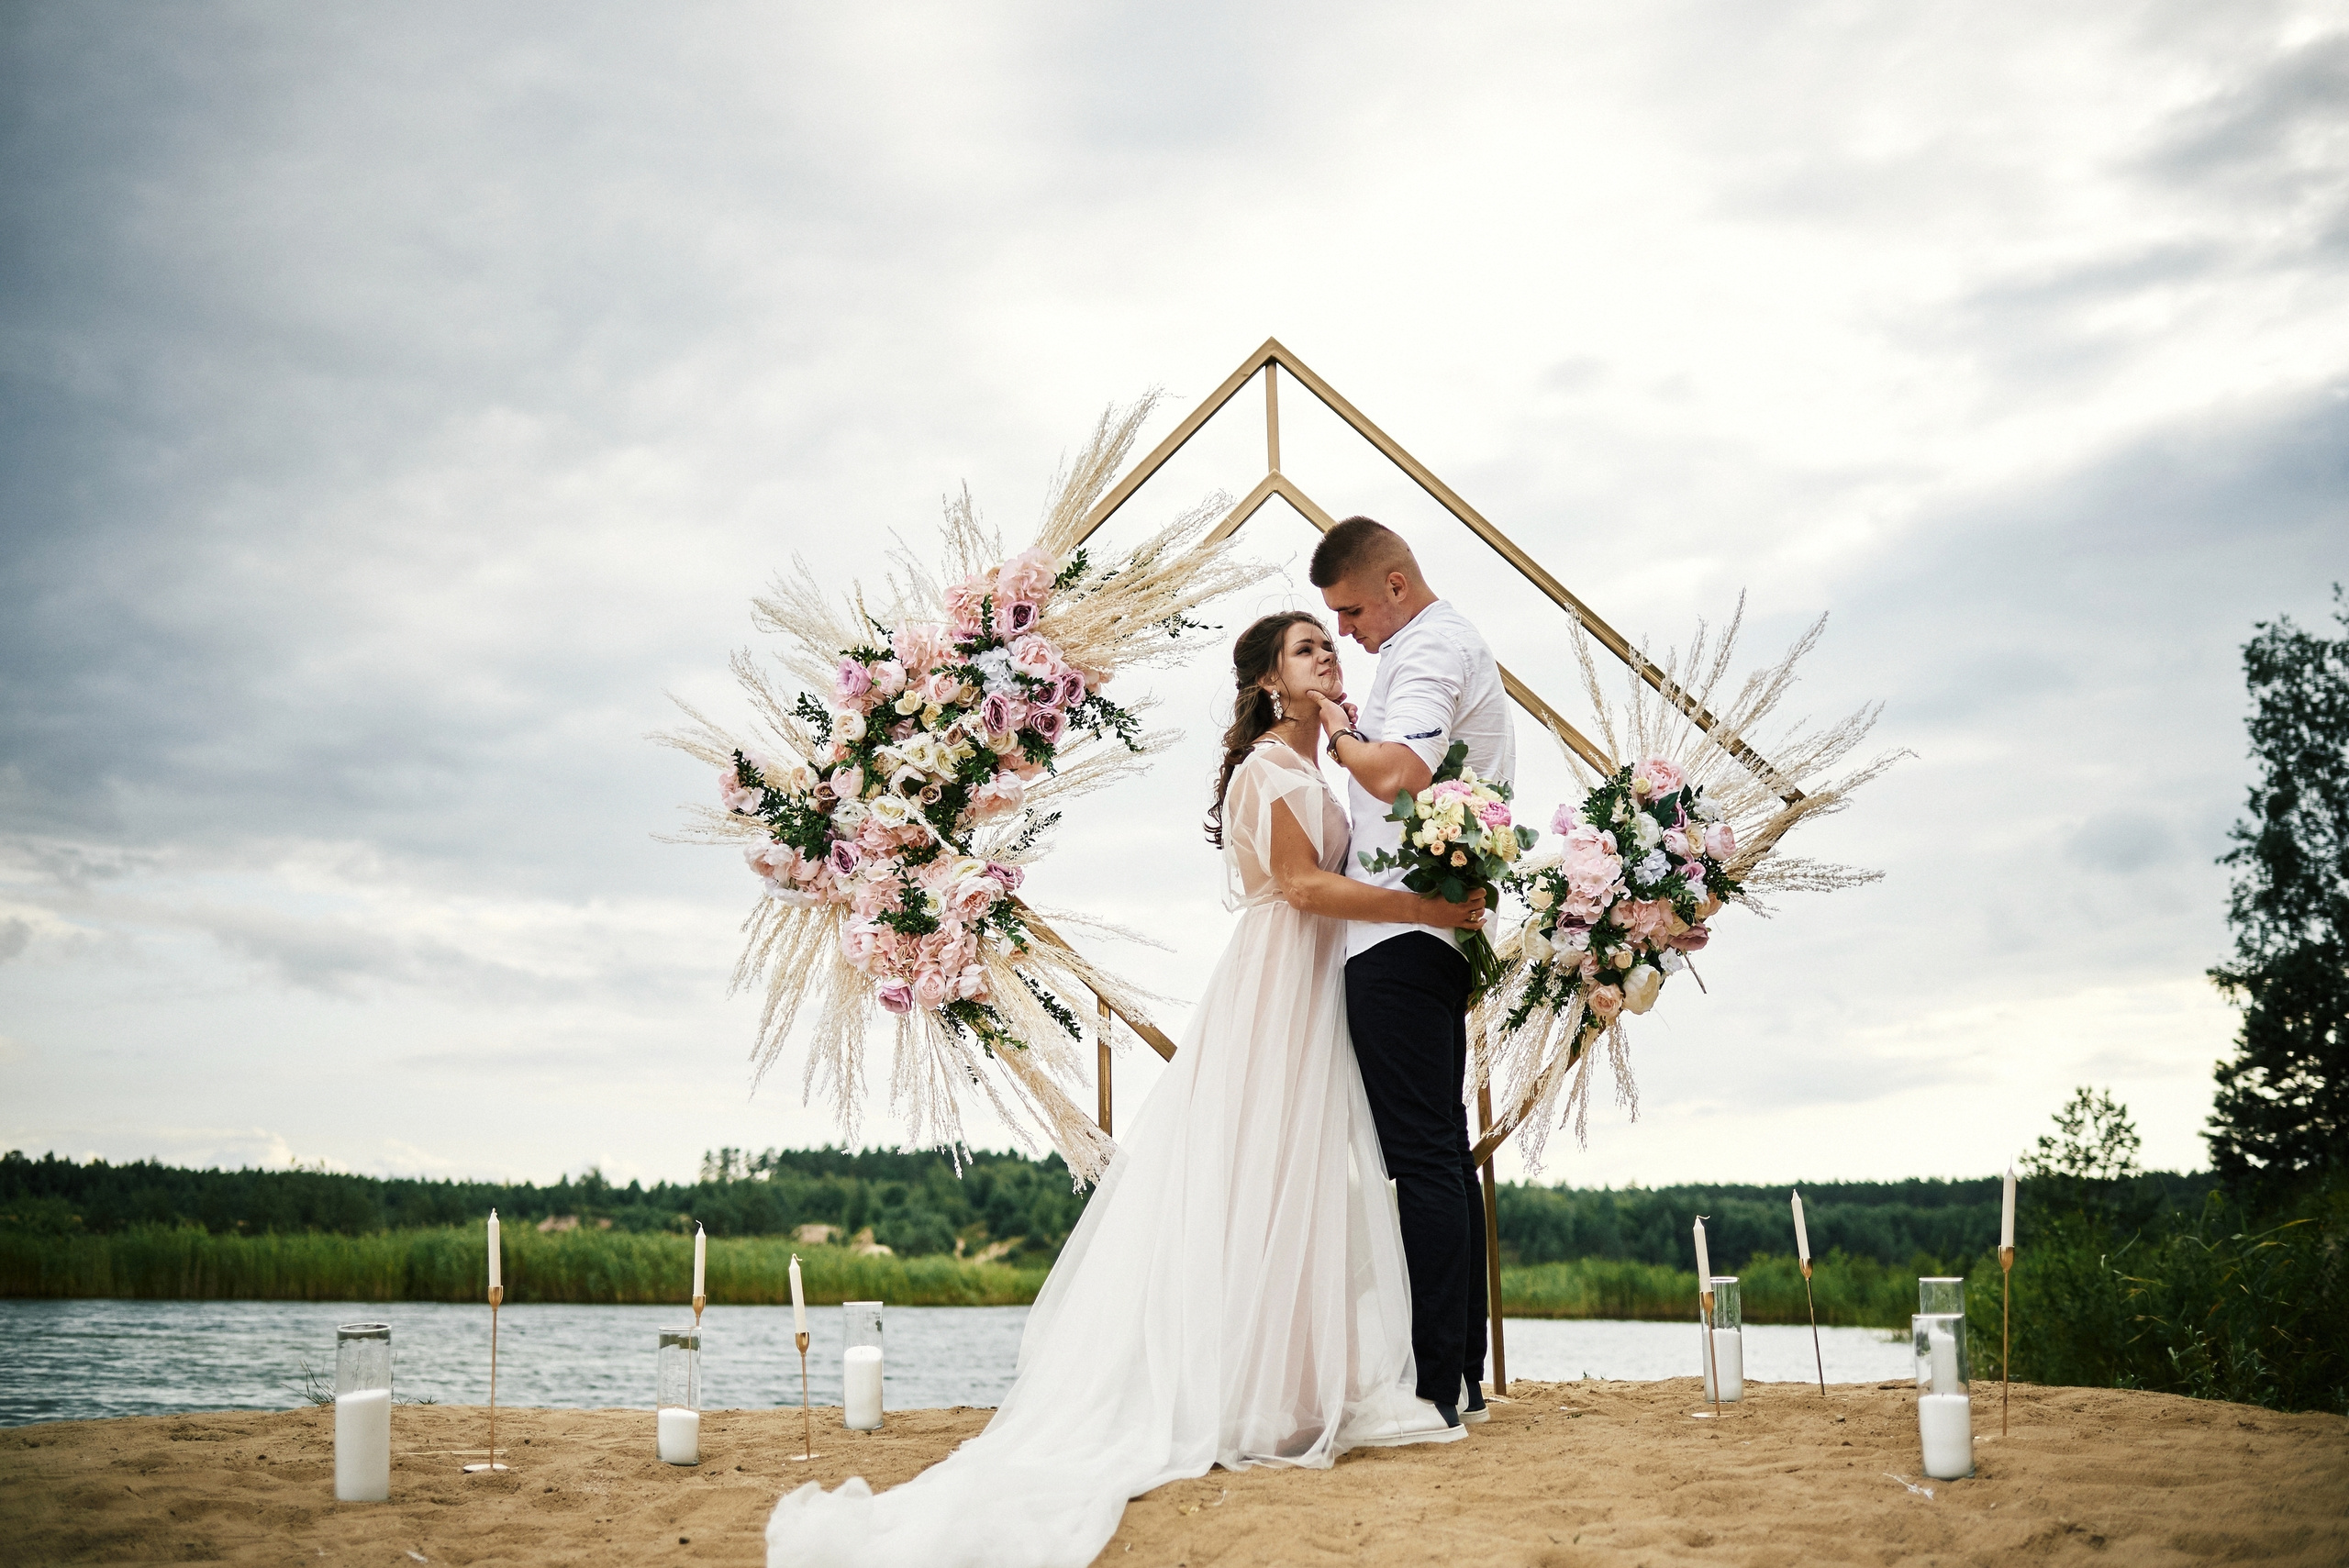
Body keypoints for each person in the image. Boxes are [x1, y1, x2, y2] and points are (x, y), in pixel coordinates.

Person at [763, 610, 1486, 1568]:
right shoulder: (1270, 768)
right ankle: (1237, 1385)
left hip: (1320, 981)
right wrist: (1420, 906)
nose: (1329, 657)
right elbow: (1302, 887)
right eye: (1307, 648)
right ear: (1270, 681)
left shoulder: (1320, 766)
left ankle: (1283, 1380)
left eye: (1330, 644)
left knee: (1303, 1172)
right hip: (1279, 981)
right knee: (1258, 1165)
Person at [1308, 515, 1517, 1428]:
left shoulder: (1432, 645)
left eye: (1351, 611)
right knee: (1439, 1153)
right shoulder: (1424, 646)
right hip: (1424, 933)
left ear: (1395, 584)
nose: (1345, 632)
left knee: (1422, 1158)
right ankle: (1458, 1371)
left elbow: (1397, 772)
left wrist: (1340, 736)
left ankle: (1438, 1387)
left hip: (1401, 936)